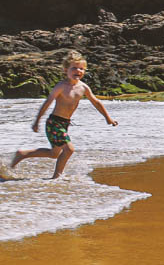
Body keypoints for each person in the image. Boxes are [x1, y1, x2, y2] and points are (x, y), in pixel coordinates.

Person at [10, 50, 118, 178]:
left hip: (64, 123)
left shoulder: (83, 87)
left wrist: (108, 118)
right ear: (66, 70)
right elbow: (47, 103)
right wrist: (37, 121)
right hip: (54, 122)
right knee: (69, 149)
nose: (78, 71)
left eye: (81, 69)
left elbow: (96, 102)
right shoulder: (61, 86)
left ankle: (23, 154)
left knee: (54, 154)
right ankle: (57, 177)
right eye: (74, 68)